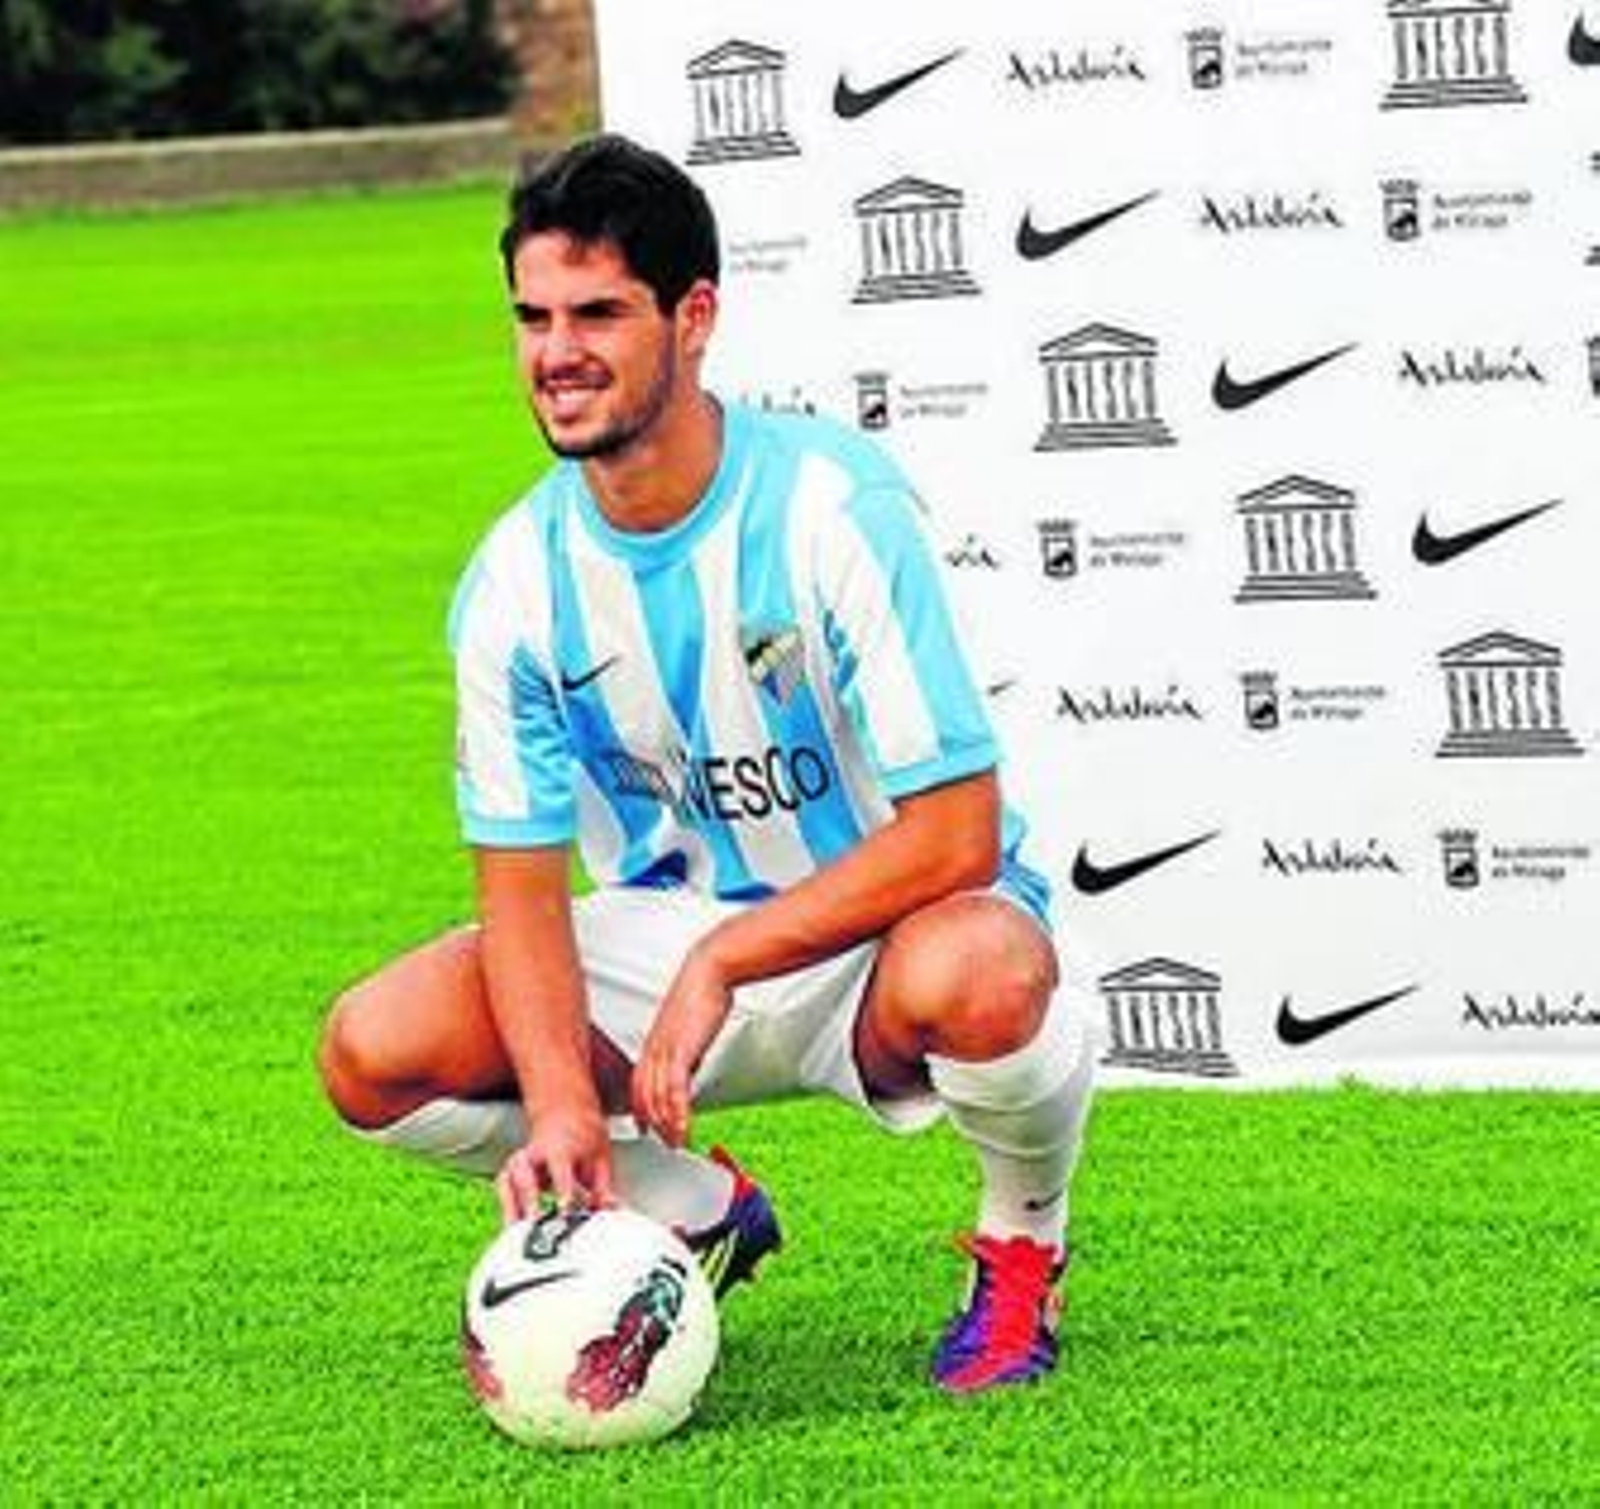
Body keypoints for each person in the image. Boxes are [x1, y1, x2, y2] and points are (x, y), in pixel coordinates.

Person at [317, 133, 1096, 1395]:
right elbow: (516, 890)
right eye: (532, 317)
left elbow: (956, 833)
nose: (557, 353)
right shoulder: (515, 582)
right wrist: (568, 1106)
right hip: (661, 943)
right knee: (375, 1044)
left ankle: (1021, 1244)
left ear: (694, 318)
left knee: (989, 971)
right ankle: (688, 1207)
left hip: (873, 937)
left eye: (597, 314)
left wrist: (727, 960)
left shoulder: (832, 509)